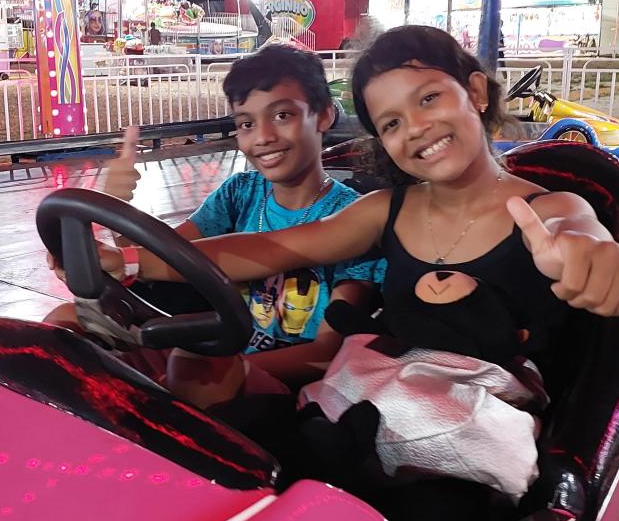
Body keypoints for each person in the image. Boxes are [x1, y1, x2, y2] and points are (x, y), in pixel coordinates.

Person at [81, 26, 619, 404]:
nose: (417, 128)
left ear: (475, 92)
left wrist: (590, 259)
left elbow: (579, 235)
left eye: (429, 99)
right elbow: (266, 251)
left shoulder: (553, 207)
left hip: (487, 426)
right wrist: (124, 260)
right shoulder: (386, 210)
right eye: (392, 123)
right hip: (388, 404)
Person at [44, 44, 383, 407]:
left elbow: (326, 351)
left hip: (285, 385)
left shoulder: (353, 218)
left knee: (194, 368)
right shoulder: (240, 192)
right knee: (62, 325)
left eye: (282, 115)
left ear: (324, 116)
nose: (263, 136)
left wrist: (221, 364)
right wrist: (114, 209)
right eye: (246, 124)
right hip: (212, 353)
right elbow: (169, 254)